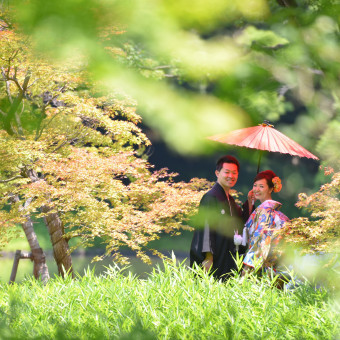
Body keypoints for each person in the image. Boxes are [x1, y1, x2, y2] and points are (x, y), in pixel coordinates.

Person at [190, 155, 253, 281]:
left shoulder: (231, 200)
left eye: (234, 173)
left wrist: (250, 202)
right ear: (217, 173)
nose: (231, 176)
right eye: (227, 172)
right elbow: (206, 227)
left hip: (227, 256)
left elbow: (242, 222)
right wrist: (208, 257)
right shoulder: (211, 197)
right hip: (214, 257)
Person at [242, 170, 289, 274]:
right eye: (255, 185)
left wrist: (246, 269)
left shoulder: (265, 210)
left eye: (261, 186)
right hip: (273, 268)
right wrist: (250, 203)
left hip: (257, 265)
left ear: (271, 189)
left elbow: (259, 241)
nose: (256, 189)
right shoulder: (271, 210)